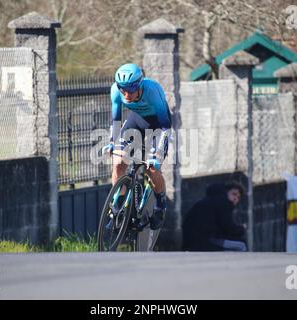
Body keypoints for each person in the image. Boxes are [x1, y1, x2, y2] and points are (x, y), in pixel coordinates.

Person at [102, 63, 172, 230]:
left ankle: (160, 204)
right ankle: (118, 208)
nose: (126, 94)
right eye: (122, 89)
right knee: (118, 162)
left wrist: (157, 153)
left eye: (131, 89)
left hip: (158, 127)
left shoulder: (153, 91)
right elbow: (116, 120)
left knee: (151, 168)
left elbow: (165, 126)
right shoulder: (115, 92)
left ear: (140, 85)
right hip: (136, 122)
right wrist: (113, 143)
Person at [182, 181, 248, 251]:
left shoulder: (208, 201)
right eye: (234, 194)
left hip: (191, 242)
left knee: (235, 245)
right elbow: (229, 228)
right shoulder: (224, 202)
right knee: (241, 246)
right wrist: (242, 228)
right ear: (226, 192)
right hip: (203, 240)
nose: (235, 198)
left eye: (238, 197)